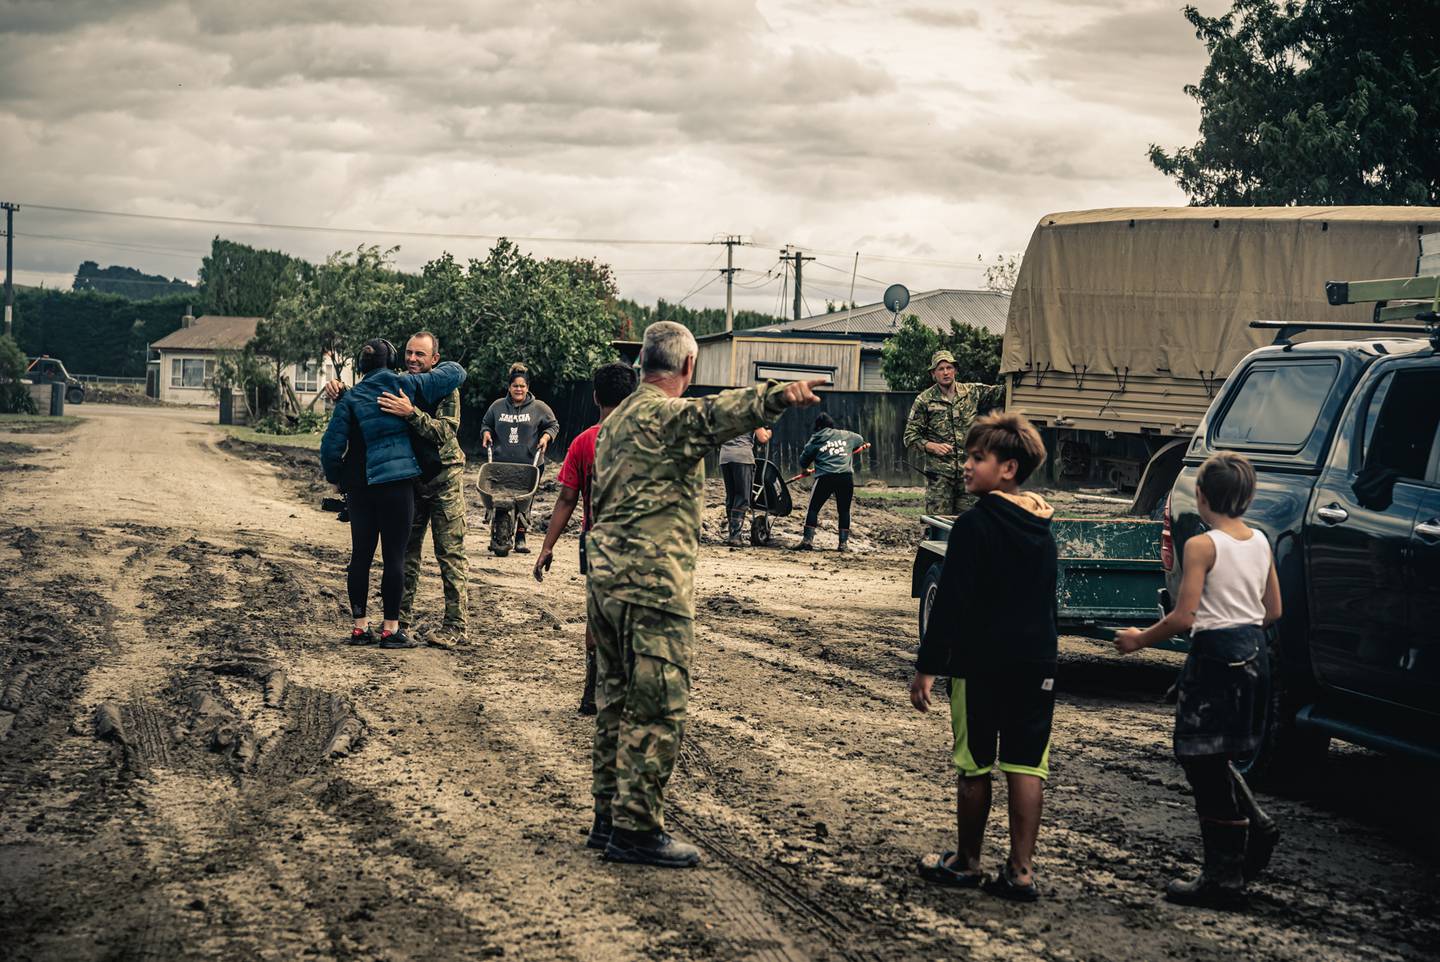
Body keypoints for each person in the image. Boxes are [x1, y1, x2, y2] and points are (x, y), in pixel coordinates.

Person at [586, 321, 823, 867]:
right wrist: (779, 395)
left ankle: (607, 819)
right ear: (688, 368)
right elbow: (715, 414)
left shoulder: (616, 419)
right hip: (653, 588)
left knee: (615, 704)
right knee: (657, 707)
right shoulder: (667, 416)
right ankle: (637, 830)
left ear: (644, 362)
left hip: (607, 585)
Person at [1114, 452, 1282, 909]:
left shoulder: (1202, 546)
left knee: (1199, 757)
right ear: (1247, 497)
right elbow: (1274, 611)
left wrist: (1138, 639)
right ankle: (1255, 824)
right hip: (1253, 656)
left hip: (1215, 659)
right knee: (1217, 753)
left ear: (1202, 496)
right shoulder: (1261, 541)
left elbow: (1185, 616)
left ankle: (1223, 877)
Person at [909, 413, 1056, 902]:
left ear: (1008, 467)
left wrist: (927, 666)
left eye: (977, 458)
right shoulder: (1042, 525)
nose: (967, 466)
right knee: (1026, 765)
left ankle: (968, 863)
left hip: (980, 664)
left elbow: (950, 603)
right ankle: (1020, 872)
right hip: (1036, 663)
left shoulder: (973, 525)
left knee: (974, 764)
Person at [319, 340, 467, 650]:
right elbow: (457, 372)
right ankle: (393, 628)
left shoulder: (358, 395)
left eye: (420, 354)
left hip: (418, 482)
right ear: (396, 358)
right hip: (401, 482)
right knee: (398, 557)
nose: (413, 359)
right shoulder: (405, 382)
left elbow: (331, 447)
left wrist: (337, 480)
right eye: (409, 353)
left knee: (364, 555)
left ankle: (361, 628)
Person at [532, 361, 639, 716]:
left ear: (595, 397)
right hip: (641, 543)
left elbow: (566, 500)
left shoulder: (582, 443)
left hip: (596, 541)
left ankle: (592, 690)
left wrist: (547, 547)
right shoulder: (648, 440)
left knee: (597, 615)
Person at [903, 350, 1005, 517]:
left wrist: (1018, 372)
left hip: (969, 473)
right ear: (933, 374)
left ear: (955, 370)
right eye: (941, 369)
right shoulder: (924, 400)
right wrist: (931, 446)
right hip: (940, 477)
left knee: (970, 525)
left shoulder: (972, 392)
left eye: (949, 367)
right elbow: (910, 436)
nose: (945, 372)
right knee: (937, 527)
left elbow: (1003, 393)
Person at [480, 364, 559, 553]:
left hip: (529, 465)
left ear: (528, 387)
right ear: (509, 387)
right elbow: (486, 424)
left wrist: (546, 437)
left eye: (522, 386)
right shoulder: (497, 406)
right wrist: (486, 433)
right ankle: (497, 532)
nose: (519, 389)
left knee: (525, 501)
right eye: (515, 386)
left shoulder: (539, 408)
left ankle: (521, 537)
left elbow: (553, 425)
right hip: (501, 465)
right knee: (499, 499)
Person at [793, 413, 865, 551]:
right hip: (845, 477)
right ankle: (843, 544)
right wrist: (849, 449)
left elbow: (803, 460)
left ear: (818, 427)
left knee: (813, 509)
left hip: (825, 478)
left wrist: (805, 470)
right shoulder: (846, 435)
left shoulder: (815, 439)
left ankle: (807, 541)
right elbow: (860, 440)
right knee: (844, 510)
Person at [718, 427, 773, 547]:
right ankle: (735, 536)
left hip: (725, 457)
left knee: (731, 496)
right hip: (742, 457)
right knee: (742, 496)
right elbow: (762, 438)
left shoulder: (725, 412)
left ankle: (732, 534)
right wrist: (768, 433)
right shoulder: (752, 412)